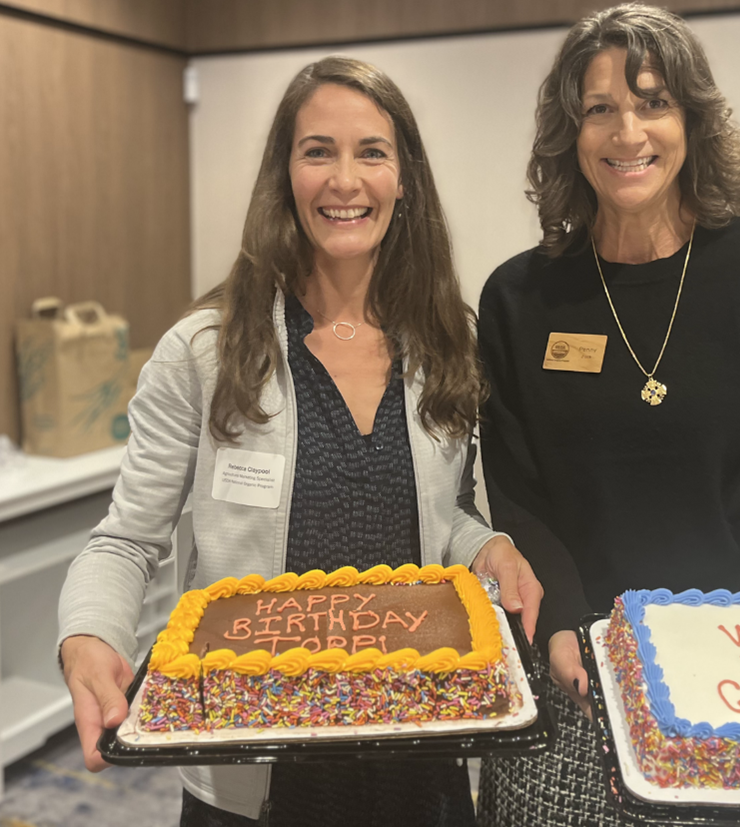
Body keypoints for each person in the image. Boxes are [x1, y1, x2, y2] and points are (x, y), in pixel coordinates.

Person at [57, 55, 542, 827]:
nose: (345, 180)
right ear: (285, 174)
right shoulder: (203, 353)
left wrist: (489, 547)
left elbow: (442, 518)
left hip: (418, 750)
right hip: (254, 764)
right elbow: (125, 540)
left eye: (371, 152)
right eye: (318, 151)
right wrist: (87, 636)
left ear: (403, 177)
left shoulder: (448, 341)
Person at [475, 3, 740, 825]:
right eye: (599, 109)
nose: (627, 132)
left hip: (737, 683)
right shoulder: (519, 297)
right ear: (570, 134)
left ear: (694, 120)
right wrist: (567, 623)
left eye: (653, 102)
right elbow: (516, 487)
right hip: (575, 674)